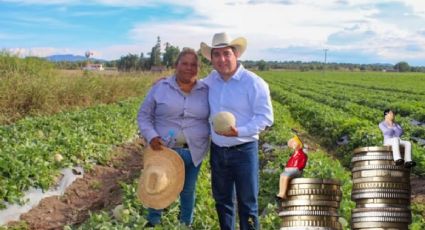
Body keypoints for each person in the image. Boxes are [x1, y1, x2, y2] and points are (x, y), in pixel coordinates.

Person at [200, 32, 274, 230]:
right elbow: (189, 88)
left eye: (226, 53)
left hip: (244, 151)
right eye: (217, 55)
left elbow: (266, 117)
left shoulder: (254, 83)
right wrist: (166, 82)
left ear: (236, 54)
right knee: (222, 203)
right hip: (218, 151)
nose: (222, 59)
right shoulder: (210, 81)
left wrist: (239, 131)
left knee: (247, 204)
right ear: (212, 58)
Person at [137, 48, 210, 227]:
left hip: (194, 150)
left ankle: (186, 223)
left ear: (199, 68)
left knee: (188, 190)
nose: (189, 68)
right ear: (176, 65)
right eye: (184, 63)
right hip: (163, 150)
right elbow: (144, 116)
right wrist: (151, 136)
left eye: (193, 64)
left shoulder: (206, 90)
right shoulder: (160, 88)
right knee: (157, 185)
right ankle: (153, 222)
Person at [276, 135, 307, 199]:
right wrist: (286, 166)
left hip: (296, 170)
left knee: (286, 176)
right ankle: (281, 192)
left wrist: (298, 168)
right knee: (282, 175)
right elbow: (290, 163)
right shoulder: (293, 155)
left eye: (295, 143)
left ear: (299, 144)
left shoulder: (302, 154)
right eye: (292, 144)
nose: (293, 145)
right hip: (289, 169)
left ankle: (283, 194)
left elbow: (302, 163)